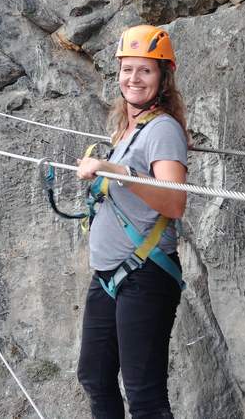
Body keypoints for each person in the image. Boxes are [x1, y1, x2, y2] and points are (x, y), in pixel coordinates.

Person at [75, 24, 189, 418]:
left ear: (162, 77)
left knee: (144, 396)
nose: (134, 79)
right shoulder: (129, 130)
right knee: (95, 376)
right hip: (109, 273)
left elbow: (174, 202)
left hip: (145, 273)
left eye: (145, 70)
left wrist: (114, 169)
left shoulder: (163, 130)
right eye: (128, 69)